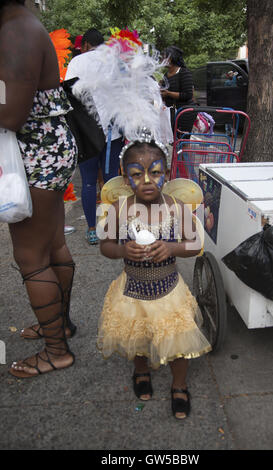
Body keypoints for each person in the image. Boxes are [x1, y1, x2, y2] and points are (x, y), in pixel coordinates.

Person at [96, 139, 211, 419]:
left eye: (156, 172)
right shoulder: (119, 209)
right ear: (126, 177)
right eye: (137, 174)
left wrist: (172, 247)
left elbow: (195, 244)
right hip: (132, 291)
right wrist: (123, 249)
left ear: (168, 174)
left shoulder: (176, 207)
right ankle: (141, 369)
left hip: (169, 291)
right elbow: (106, 246)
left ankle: (179, 384)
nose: (147, 181)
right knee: (136, 334)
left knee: (178, 341)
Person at [0, 0, 78, 377]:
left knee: (31, 257)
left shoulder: (15, 29)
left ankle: (56, 350)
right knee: (52, 245)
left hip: (36, 155)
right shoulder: (22, 23)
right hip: (48, 150)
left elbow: (11, 113)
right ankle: (59, 326)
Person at [65, 28, 124, 245]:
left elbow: (70, 97)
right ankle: (111, 230)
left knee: (89, 183)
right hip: (113, 133)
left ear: (85, 45)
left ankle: (92, 229)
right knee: (110, 182)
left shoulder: (76, 63)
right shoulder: (113, 62)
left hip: (87, 133)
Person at [161, 46, 197, 136]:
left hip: (184, 113)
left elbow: (188, 94)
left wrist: (168, 93)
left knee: (182, 140)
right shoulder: (166, 75)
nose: (163, 59)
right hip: (171, 113)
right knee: (174, 141)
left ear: (173, 58)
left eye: (165, 57)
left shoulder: (184, 72)